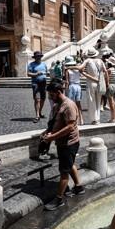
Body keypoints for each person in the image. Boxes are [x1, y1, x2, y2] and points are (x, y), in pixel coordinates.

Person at [42, 80, 84, 210]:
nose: (50, 97)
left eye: (51, 95)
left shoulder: (69, 105)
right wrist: (46, 132)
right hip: (62, 142)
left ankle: (59, 199)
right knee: (69, 164)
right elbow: (55, 122)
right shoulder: (57, 105)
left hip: (69, 143)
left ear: (59, 92)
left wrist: (53, 137)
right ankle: (78, 187)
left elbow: (70, 126)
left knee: (64, 171)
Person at [76, 49, 109, 125]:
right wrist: (107, 83)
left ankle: (94, 119)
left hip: (91, 83)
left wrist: (72, 67)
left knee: (91, 101)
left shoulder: (88, 60)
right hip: (99, 83)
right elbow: (106, 71)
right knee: (98, 100)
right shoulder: (100, 61)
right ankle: (98, 119)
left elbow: (80, 68)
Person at [27, 51, 48, 123]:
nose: (38, 57)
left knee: (43, 98)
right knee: (37, 99)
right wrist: (36, 74)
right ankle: (37, 115)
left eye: (39, 56)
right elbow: (28, 74)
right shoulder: (31, 64)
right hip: (35, 83)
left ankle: (40, 112)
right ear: (35, 57)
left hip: (43, 82)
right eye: (37, 56)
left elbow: (47, 72)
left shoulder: (44, 64)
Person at [63, 56, 84, 125]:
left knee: (71, 104)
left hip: (71, 86)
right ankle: (81, 119)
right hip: (78, 86)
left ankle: (74, 120)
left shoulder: (67, 70)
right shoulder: (77, 69)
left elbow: (67, 81)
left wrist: (66, 90)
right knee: (78, 104)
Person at [106, 57, 115, 123]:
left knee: (111, 103)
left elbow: (107, 80)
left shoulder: (109, 70)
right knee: (114, 102)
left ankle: (112, 118)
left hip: (111, 86)